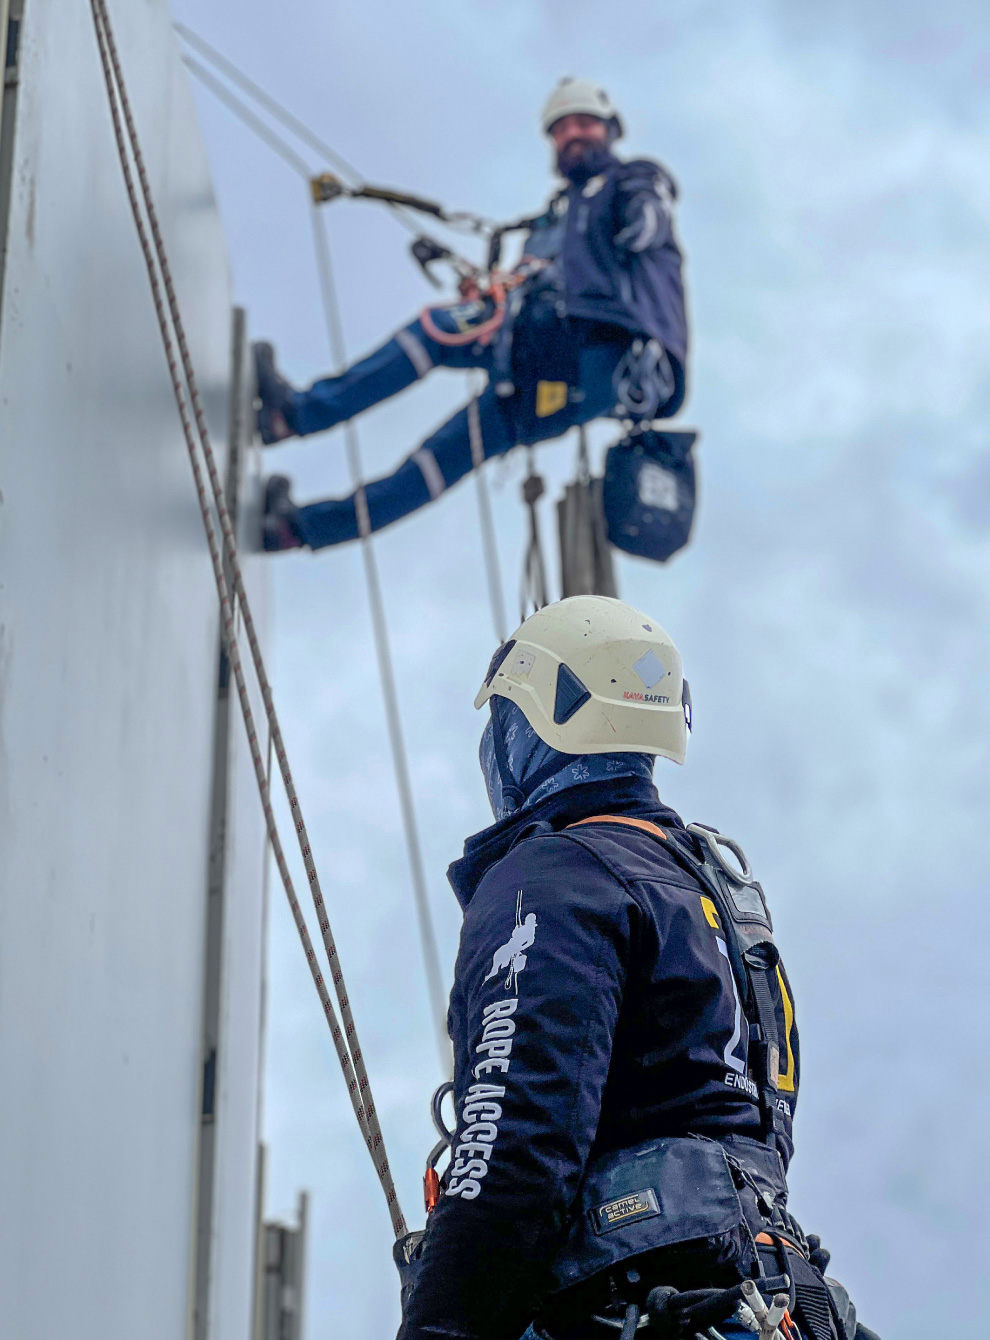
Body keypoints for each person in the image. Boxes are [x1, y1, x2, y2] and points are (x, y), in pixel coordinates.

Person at [395, 596, 879, 1340]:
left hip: (637, 1306)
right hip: (767, 1295)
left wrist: (441, 1325)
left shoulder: (557, 875)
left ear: (535, 727)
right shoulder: (721, 898)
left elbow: (514, 1143)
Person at [258, 78, 689, 552]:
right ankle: (294, 529)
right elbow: (538, 279)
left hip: (599, 354)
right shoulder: (557, 218)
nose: (573, 135)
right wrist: (495, 287)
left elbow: (649, 213)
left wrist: (642, 218)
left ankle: (293, 416)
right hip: (547, 359)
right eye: (561, 129)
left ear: (609, 130)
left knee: (437, 334)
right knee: (438, 461)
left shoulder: (631, 182)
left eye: (584, 123)